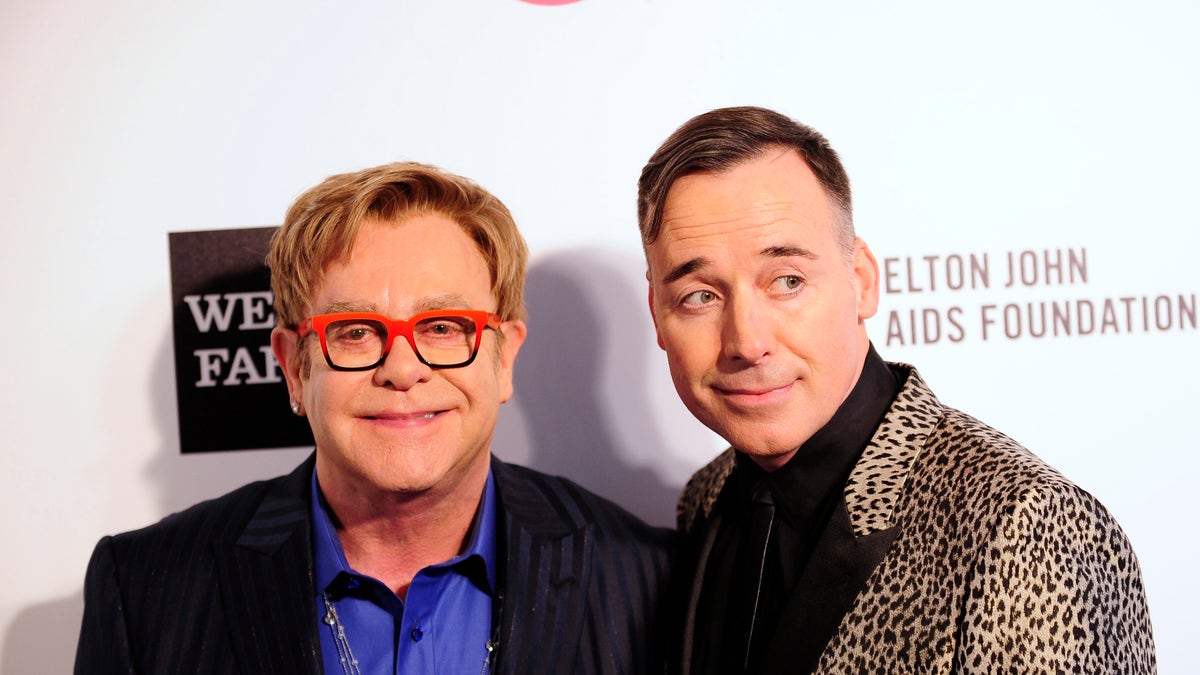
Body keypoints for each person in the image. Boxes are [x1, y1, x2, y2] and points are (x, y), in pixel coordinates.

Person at [76, 161, 671, 674]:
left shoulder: (646, 579)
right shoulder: (146, 590)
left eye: (442, 327)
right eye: (356, 332)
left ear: (505, 355)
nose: (403, 368)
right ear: (294, 369)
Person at [637, 106, 1155, 674]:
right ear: (659, 315)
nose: (746, 340)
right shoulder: (706, 500)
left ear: (860, 282)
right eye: (700, 296)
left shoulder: (1026, 524)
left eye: (787, 282)